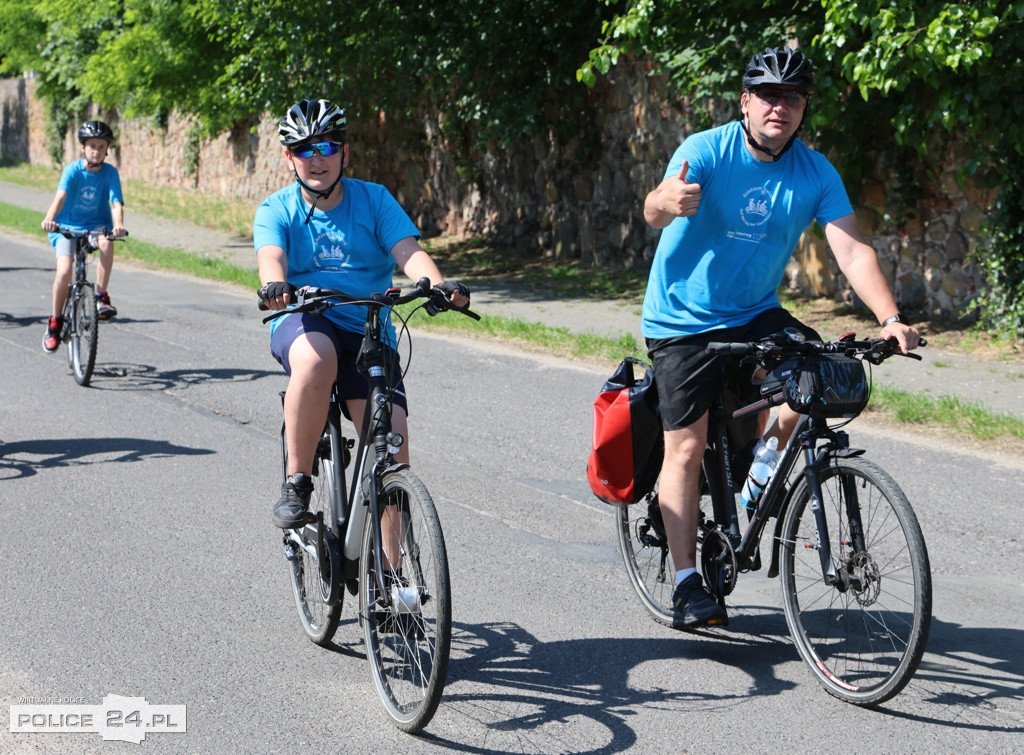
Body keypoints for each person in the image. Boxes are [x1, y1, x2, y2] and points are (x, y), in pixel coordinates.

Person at [641, 46, 921, 630]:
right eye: (768, 94)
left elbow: (850, 248)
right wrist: (666, 202)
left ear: (802, 109)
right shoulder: (706, 151)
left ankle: (752, 490)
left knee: (816, 379)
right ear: (746, 101)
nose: (780, 106)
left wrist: (890, 318)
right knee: (687, 447)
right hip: (683, 320)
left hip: (756, 312)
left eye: (792, 97)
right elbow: (656, 205)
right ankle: (688, 580)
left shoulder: (815, 172)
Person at [255, 98, 470, 528]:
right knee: (317, 359)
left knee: (391, 451)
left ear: (345, 153)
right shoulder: (276, 208)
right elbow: (271, 257)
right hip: (305, 318)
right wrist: (275, 286)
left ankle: (394, 582)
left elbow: (409, 252)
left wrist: (440, 285)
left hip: (368, 329)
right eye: (304, 149)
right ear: (289, 157)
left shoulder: (374, 200)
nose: (317, 159)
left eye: (327, 147)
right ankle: (297, 480)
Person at [40, 120, 126, 352]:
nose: (96, 150)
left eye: (101, 146)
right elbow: (60, 198)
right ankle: (55, 322)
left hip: (96, 225)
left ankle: (100, 296)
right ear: (83, 147)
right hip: (66, 226)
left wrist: (118, 225)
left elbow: (116, 202)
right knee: (65, 271)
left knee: (107, 243)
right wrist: (49, 219)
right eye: (92, 146)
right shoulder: (72, 170)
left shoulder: (110, 173)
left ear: (107, 149)